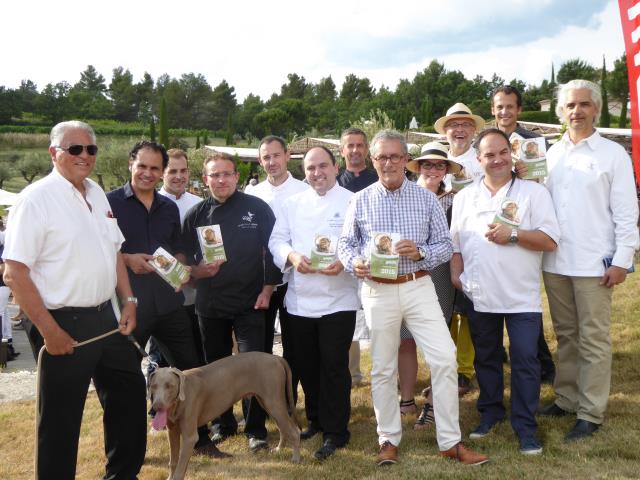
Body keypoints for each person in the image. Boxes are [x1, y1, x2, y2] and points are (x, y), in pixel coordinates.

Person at [2, 120, 146, 479]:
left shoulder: (96, 192)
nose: (85, 156)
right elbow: (14, 273)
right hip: (60, 321)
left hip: (106, 318)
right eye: (74, 149)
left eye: (91, 149)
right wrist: (49, 331)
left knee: (129, 401)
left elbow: (115, 251)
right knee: (60, 422)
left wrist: (128, 300)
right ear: (54, 153)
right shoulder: (34, 200)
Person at [338, 129, 488, 466]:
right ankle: (388, 439)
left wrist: (420, 253)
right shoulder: (359, 200)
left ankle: (450, 441)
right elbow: (345, 244)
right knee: (381, 367)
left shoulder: (426, 200)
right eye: (381, 157)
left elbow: (444, 246)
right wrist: (355, 263)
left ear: (406, 161)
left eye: (394, 156)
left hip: (418, 285)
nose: (388, 163)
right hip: (377, 289)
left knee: (444, 358)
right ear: (373, 161)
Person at [106, 141, 222, 458]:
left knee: (191, 373)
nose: (147, 173)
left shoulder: (168, 207)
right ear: (131, 164)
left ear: (161, 173)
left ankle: (200, 440)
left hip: (169, 304)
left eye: (154, 168)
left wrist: (181, 268)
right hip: (130, 305)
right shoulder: (109, 203)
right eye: (142, 166)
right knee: (125, 379)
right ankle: (128, 451)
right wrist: (127, 259)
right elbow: (100, 249)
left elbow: (178, 246)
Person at [539, 79, 639, 441]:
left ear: (596, 108)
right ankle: (566, 398)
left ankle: (590, 410)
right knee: (566, 336)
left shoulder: (613, 155)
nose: (576, 111)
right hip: (555, 262)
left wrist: (622, 260)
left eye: (584, 104)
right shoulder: (549, 153)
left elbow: (627, 213)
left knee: (594, 338)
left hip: (595, 263)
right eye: (570, 105)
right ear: (561, 112)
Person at [450, 128, 560, 455]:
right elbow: (456, 244)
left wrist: (513, 235)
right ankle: (491, 413)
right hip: (480, 293)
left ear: (510, 154)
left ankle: (525, 426)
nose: (497, 160)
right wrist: (457, 276)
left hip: (521, 296)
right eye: (489, 155)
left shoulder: (533, 193)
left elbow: (550, 240)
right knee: (487, 357)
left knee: (526, 359)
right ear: (478, 159)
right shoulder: (465, 197)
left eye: (502, 153)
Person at [181, 151, 282, 453]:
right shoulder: (196, 214)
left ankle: (255, 430)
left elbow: (274, 250)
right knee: (214, 370)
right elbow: (183, 259)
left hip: (251, 303)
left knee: (254, 369)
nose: (221, 179)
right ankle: (221, 425)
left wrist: (267, 289)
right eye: (215, 175)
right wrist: (197, 271)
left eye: (227, 174)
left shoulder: (257, 208)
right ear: (205, 179)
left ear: (237, 177)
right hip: (209, 305)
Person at [269, 146, 359, 460]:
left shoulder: (352, 201)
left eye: (323, 166)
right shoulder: (292, 204)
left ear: (336, 167)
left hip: (339, 300)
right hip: (300, 302)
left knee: (334, 366)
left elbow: (363, 242)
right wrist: (292, 256)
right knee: (307, 366)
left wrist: (345, 263)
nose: (317, 173)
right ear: (304, 172)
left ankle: (337, 431)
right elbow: (277, 241)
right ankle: (317, 420)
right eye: (310, 168)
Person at [492, 85, 557, 383]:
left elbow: (545, 180)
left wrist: (530, 174)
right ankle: (500, 356)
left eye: (509, 106)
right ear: (493, 110)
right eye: (499, 107)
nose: (504, 112)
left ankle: (542, 362)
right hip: (495, 225)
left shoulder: (534, 142)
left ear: (519, 109)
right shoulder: (488, 142)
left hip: (527, 223)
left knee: (527, 301)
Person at [398, 142, 461, 429]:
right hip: (406, 274)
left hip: (440, 274)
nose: (433, 170)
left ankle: (434, 404)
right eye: (427, 164)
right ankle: (407, 399)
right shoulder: (403, 196)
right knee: (405, 340)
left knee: (440, 343)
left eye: (439, 165)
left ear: (446, 169)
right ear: (418, 167)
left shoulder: (456, 200)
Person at [247, 135, 308, 399]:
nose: (272, 162)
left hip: (295, 280)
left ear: (287, 155)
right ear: (261, 161)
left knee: (295, 346)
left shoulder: (304, 192)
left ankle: (289, 400)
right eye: (266, 157)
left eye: (276, 155)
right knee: (261, 348)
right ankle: (263, 403)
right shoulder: (252, 193)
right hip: (261, 283)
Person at [434, 103, 486, 396]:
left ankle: (464, 369)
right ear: (446, 131)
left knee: (465, 309)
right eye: (454, 125)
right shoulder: (435, 160)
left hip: (471, 240)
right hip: (439, 243)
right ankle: (445, 365)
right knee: (443, 307)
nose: (460, 130)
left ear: (473, 130)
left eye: (465, 124)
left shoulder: (480, 162)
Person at [153, 148, 204, 365]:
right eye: (172, 170)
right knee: (162, 359)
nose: (179, 176)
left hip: (196, 294)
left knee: (195, 357)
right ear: (162, 173)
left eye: (183, 170)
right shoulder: (152, 203)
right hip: (165, 295)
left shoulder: (199, 203)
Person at [337, 127, 378, 386]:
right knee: (349, 318)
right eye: (349, 146)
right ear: (342, 151)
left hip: (377, 259)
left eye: (359, 145)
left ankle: (383, 372)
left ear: (367, 150)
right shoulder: (336, 183)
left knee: (380, 321)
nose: (355, 151)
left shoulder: (378, 178)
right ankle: (352, 374)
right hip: (347, 261)